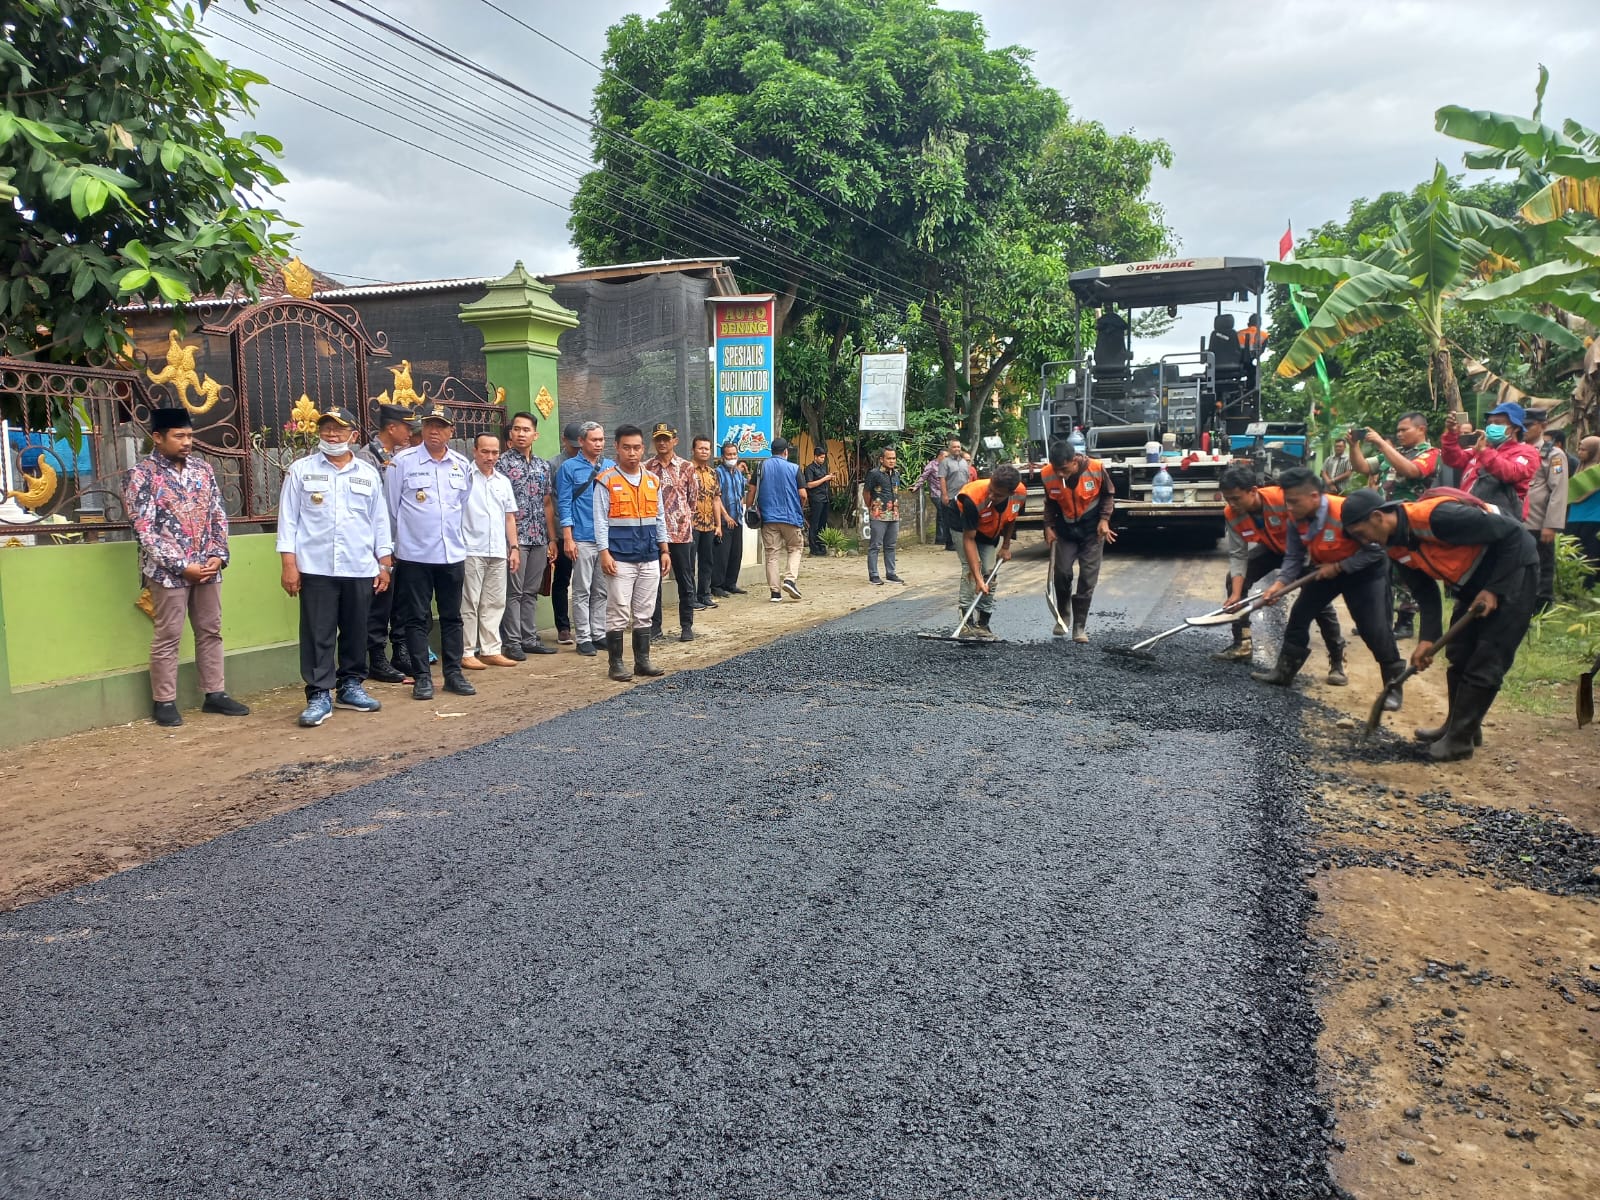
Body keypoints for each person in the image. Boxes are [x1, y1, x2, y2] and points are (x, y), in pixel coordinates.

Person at [1342, 487, 1540, 761]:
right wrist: (1427, 639)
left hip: (1514, 572)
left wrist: (1495, 589)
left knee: (1487, 658)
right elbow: (1425, 593)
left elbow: (1518, 536)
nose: (1364, 541)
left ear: (1378, 517)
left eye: (1361, 533)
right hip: (1472, 584)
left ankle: (1459, 741)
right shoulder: (1395, 546)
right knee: (1459, 652)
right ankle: (1459, 728)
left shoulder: (1438, 517)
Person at [122, 407, 250, 727]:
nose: (186, 442)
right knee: (169, 635)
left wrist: (218, 555)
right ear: (158, 438)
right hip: (168, 573)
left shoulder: (203, 470)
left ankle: (215, 694)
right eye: (179, 436)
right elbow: (144, 530)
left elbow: (218, 515)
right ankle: (164, 701)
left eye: (189, 435)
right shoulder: (141, 476)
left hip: (208, 567)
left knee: (211, 630)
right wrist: (182, 566)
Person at [276, 406, 390, 727]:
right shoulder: (301, 470)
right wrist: (289, 563)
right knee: (318, 632)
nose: (331, 434)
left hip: (358, 565)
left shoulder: (367, 474)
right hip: (316, 566)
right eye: (326, 428)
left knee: (356, 629)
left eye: (339, 429)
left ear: (353, 436)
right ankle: (319, 693)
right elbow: (288, 520)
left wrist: (384, 562)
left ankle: (351, 685)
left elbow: (379, 521)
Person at [1253, 467, 1404, 707]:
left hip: (1365, 573)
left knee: (1373, 629)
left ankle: (1393, 688)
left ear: (1314, 496)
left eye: (1294, 502)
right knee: (1300, 615)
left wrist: (1340, 566)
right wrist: (1280, 584)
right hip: (1325, 569)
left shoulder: (1345, 512)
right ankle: (1283, 672)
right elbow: (1293, 556)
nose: (1289, 508)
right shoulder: (1295, 518)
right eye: (1286, 502)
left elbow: (1376, 550)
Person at [1213, 465, 1346, 681]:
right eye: (1227, 499)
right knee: (1235, 580)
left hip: (1305, 551)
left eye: (1236, 498)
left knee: (1317, 601)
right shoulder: (1232, 514)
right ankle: (1243, 643)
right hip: (1273, 548)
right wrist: (1237, 594)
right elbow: (1238, 554)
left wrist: (1281, 585)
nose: (1232, 504)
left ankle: (1337, 660)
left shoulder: (1283, 500)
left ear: (1253, 491)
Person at [385, 404, 476, 700]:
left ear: (451, 431)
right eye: (429, 425)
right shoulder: (403, 462)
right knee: (415, 618)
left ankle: (453, 673)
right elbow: (391, 510)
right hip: (414, 556)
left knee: (452, 617)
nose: (434, 431)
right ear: (421, 429)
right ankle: (422, 676)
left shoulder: (461, 465)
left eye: (440, 426)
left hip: (451, 555)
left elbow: (461, 504)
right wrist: (395, 547)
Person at [1348, 413, 1442, 640]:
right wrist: (1354, 446)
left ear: (1421, 430)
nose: (1399, 434)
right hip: (1384, 523)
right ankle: (1379, 620)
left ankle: (1405, 621)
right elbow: (1362, 467)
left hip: (1410, 521)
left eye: (1404, 430)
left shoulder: (1431, 454)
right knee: (1381, 572)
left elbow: (1412, 471)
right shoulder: (1394, 454)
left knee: (1406, 574)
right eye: (1397, 431)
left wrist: (1381, 442)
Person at [594, 424, 671, 683]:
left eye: (637, 448)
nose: (632, 453)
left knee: (645, 610)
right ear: (616, 447)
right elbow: (600, 522)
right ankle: (615, 664)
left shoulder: (652, 480)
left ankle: (642, 661)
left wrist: (664, 549)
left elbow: (660, 517)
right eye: (626, 447)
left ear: (643, 448)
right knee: (618, 610)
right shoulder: (606, 481)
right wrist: (604, 553)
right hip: (619, 557)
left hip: (649, 554)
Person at [356, 401, 418, 682]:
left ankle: (400, 651)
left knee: (401, 601)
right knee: (379, 603)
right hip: (375, 545)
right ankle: (376, 658)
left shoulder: (400, 456)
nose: (410, 433)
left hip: (401, 541)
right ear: (391, 427)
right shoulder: (365, 459)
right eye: (406, 427)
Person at [496, 411, 558, 659]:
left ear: (535, 434)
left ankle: (529, 638)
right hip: (515, 538)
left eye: (526, 430)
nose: (521, 434)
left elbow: (547, 504)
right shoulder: (502, 463)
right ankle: (512, 642)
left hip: (538, 536)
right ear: (511, 434)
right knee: (514, 591)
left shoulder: (543, 466)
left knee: (531, 590)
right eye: (517, 429)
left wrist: (552, 538)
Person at [1041, 438, 1115, 643]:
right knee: (1062, 572)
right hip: (1065, 530)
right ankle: (1063, 614)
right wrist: (1048, 527)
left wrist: (1104, 520)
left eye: (1064, 469)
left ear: (1074, 461)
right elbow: (1050, 504)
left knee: (1087, 577)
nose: (1060, 475)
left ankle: (1079, 626)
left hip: (1093, 530)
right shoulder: (1048, 474)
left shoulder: (1096, 468)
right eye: (1056, 470)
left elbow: (1108, 495)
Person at [458, 433, 519, 670]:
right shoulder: (464, 478)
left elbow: (509, 517)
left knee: (494, 602)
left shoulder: (502, 481)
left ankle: (491, 649)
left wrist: (513, 547)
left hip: (497, 549)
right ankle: (466, 651)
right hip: (470, 549)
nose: (490, 457)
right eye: (485, 452)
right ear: (475, 451)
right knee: (469, 602)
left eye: (495, 452)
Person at [555, 420, 614, 657]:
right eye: (594, 440)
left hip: (605, 540)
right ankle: (583, 637)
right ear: (581, 442)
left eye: (601, 440)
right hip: (581, 538)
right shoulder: (568, 468)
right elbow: (564, 504)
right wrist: (568, 538)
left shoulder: (610, 466)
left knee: (601, 589)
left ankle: (599, 633)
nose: (598, 444)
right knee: (582, 590)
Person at [955, 465, 1027, 640]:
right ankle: (966, 624)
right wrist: (978, 579)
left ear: (1010, 493)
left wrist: (1006, 546)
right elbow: (969, 539)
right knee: (972, 572)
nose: (991, 496)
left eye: (998, 495)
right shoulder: (973, 498)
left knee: (990, 573)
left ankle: (983, 624)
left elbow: (1011, 518)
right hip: (962, 527)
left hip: (989, 531)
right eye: (991, 490)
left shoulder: (1019, 493)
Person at [645, 422, 700, 642]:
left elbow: (692, 500)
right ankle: (654, 627)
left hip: (681, 534)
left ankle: (686, 626)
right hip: (655, 535)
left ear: (675, 441)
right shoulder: (647, 467)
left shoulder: (686, 467)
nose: (662, 443)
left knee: (685, 581)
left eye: (666, 439)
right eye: (658, 439)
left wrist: (682, 519)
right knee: (653, 583)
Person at [1441, 401, 1539, 515]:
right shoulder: (1480, 449)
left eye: (1498, 423)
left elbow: (1512, 472)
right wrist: (1451, 434)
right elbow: (1453, 459)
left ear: (1516, 428)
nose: (1492, 426)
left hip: (1502, 519)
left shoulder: (1527, 451)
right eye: (1490, 423)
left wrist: (1484, 452)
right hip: (1471, 513)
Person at [746, 437, 808, 603]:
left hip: (767, 518)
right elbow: (803, 494)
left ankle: (775, 593)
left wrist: (749, 509)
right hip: (791, 517)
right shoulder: (794, 468)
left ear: (771, 451)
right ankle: (789, 580)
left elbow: (751, 491)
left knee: (771, 554)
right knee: (795, 548)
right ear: (786, 451)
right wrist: (799, 507)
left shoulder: (761, 466)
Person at [1521, 408, 1568, 612]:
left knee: (1542, 563)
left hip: (1538, 520)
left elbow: (1559, 490)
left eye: (1529, 425)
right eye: (1521, 425)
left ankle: (1542, 604)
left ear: (1543, 426)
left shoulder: (1553, 455)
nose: (1525, 430)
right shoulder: (1518, 449)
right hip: (1518, 518)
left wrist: (1551, 524)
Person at [551, 421, 583, 644]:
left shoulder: (596, 463)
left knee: (588, 582)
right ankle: (563, 627)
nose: (576, 450)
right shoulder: (553, 465)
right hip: (563, 532)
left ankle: (588, 626)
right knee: (562, 580)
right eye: (573, 446)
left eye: (579, 446)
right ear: (564, 440)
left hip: (586, 532)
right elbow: (549, 501)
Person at [688, 435, 728, 610]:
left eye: (707, 448)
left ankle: (704, 595)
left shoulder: (713, 473)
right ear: (693, 450)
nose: (704, 451)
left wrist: (718, 525)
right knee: (689, 564)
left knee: (707, 561)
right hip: (691, 525)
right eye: (700, 448)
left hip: (709, 524)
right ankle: (690, 598)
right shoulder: (687, 470)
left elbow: (716, 500)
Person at [864, 446, 904, 585]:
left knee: (891, 545)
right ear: (882, 459)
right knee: (875, 545)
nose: (892, 461)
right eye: (889, 458)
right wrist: (872, 507)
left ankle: (891, 573)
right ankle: (874, 574)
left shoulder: (897, 473)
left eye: (894, 458)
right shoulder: (874, 473)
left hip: (894, 514)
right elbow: (867, 492)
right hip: (879, 513)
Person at [712, 441, 748, 597]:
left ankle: (731, 583)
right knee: (722, 555)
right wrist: (725, 516)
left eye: (734, 454)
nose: (732, 457)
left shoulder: (738, 473)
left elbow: (741, 495)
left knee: (736, 553)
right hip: (724, 520)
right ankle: (717, 586)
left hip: (737, 519)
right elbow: (716, 497)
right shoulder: (717, 473)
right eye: (729, 455)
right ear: (722, 457)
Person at [1567, 435, 1600, 587]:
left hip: (1594, 519)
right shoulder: (1579, 467)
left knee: (1590, 558)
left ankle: (1588, 591)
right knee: (1571, 555)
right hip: (1574, 518)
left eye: (1583, 449)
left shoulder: (1597, 471)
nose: (1579, 452)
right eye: (1579, 449)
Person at [938, 438, 973, 552]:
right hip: (950, 496)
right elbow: (942, 479)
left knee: (962, 520)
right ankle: (949, 543)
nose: (957, 449)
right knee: (949, 521)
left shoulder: (964, 462)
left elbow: (967, 479)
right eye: (954, 447)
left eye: (958, 447)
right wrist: (944, 495)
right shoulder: (945, 462)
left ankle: (962, 542)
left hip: (963, 496)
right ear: (950, 448)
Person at [803, 445, 834, 555]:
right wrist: (824, 478)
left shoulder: (822, 468)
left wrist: (828, 477)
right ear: (815, 457)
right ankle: (814, 548)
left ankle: (821, 546)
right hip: (816, 499)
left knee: (823, 524)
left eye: (823, 457)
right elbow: (809, 484)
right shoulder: (809, 469)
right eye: (820, 457)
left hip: (824, 498)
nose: (822, 459)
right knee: (814, 523)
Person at [915, 448, 947, 546]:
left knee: (943, 515)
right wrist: (916, 486)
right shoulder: (931, 465)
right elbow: (923, 476)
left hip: (946, 494)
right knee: (942, 514)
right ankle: (940, 539)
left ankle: (941, 538)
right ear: (940, 456)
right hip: (936, 494)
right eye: (946, 456)